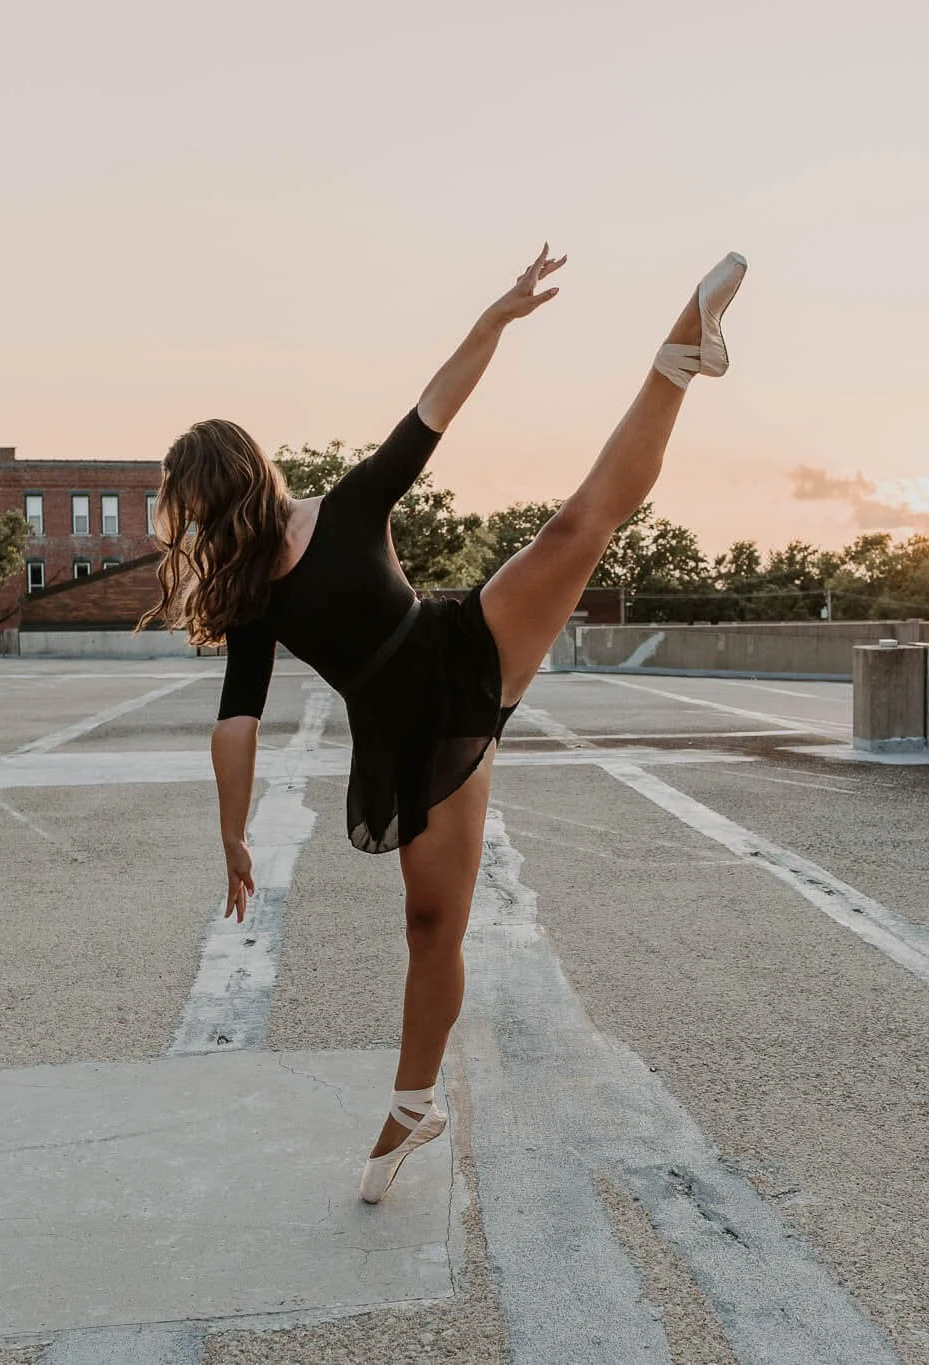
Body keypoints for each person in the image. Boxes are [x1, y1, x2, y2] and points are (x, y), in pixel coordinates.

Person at [143, 246, 748, 1203]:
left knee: (574, 527)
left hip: (463, 645)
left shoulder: (346, 506)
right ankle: (413, 1106)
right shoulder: (252, 598)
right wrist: (231, 832)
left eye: (200, 508)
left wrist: (498, 316)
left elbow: (435, 405)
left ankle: (681, 351)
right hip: (406, 739)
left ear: (233, 481)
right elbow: (236, 719)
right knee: (432, 926)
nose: (203, 529)